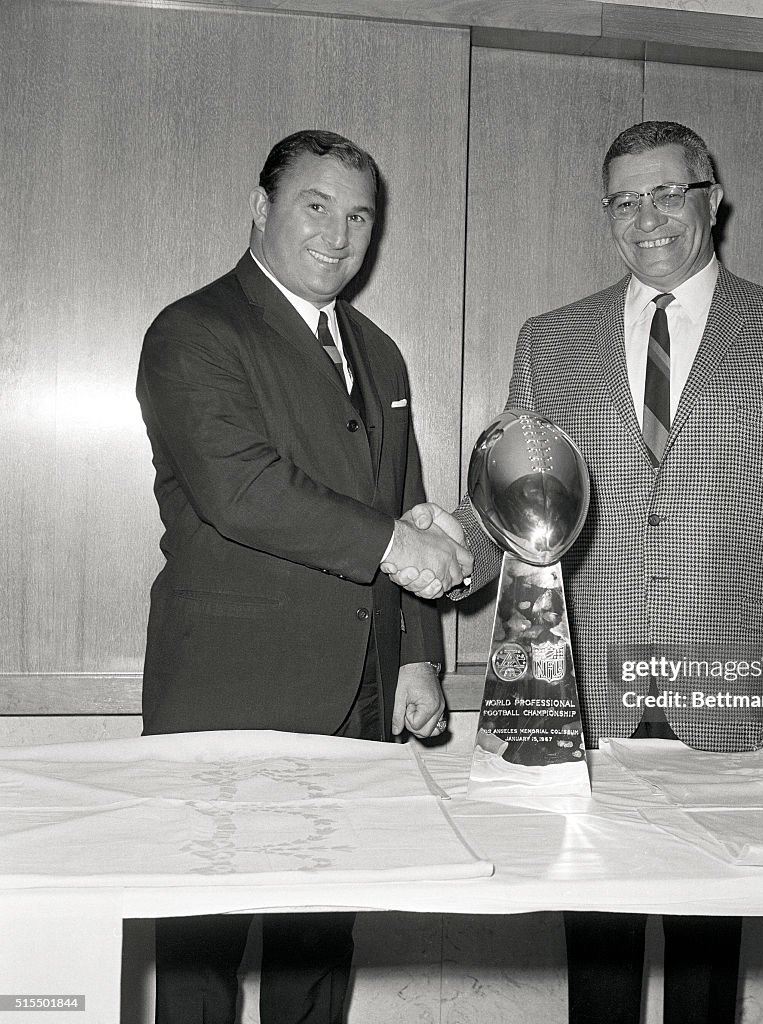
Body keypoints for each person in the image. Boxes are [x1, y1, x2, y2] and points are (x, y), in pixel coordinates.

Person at [397, 121, 763, 1024]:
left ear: (712, 198)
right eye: (625, 200)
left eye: (669, 192)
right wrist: (447, 556)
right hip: (582, 686)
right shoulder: (549, 340)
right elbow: (519, 498)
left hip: (733, 685)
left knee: (707, 954)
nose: (649, 218)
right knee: (596, 948)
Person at [136, 129, 472, 1024]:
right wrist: (399, 547)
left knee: (321, 944)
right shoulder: (194, 330)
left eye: (359, 215)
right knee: (203, 950)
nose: (338, 234)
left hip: (357, 694)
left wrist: (417, 657)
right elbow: (239, 489)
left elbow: (403, 503)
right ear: (261, 207)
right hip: (227, 690)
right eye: (314, 206)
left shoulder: (382, 352)